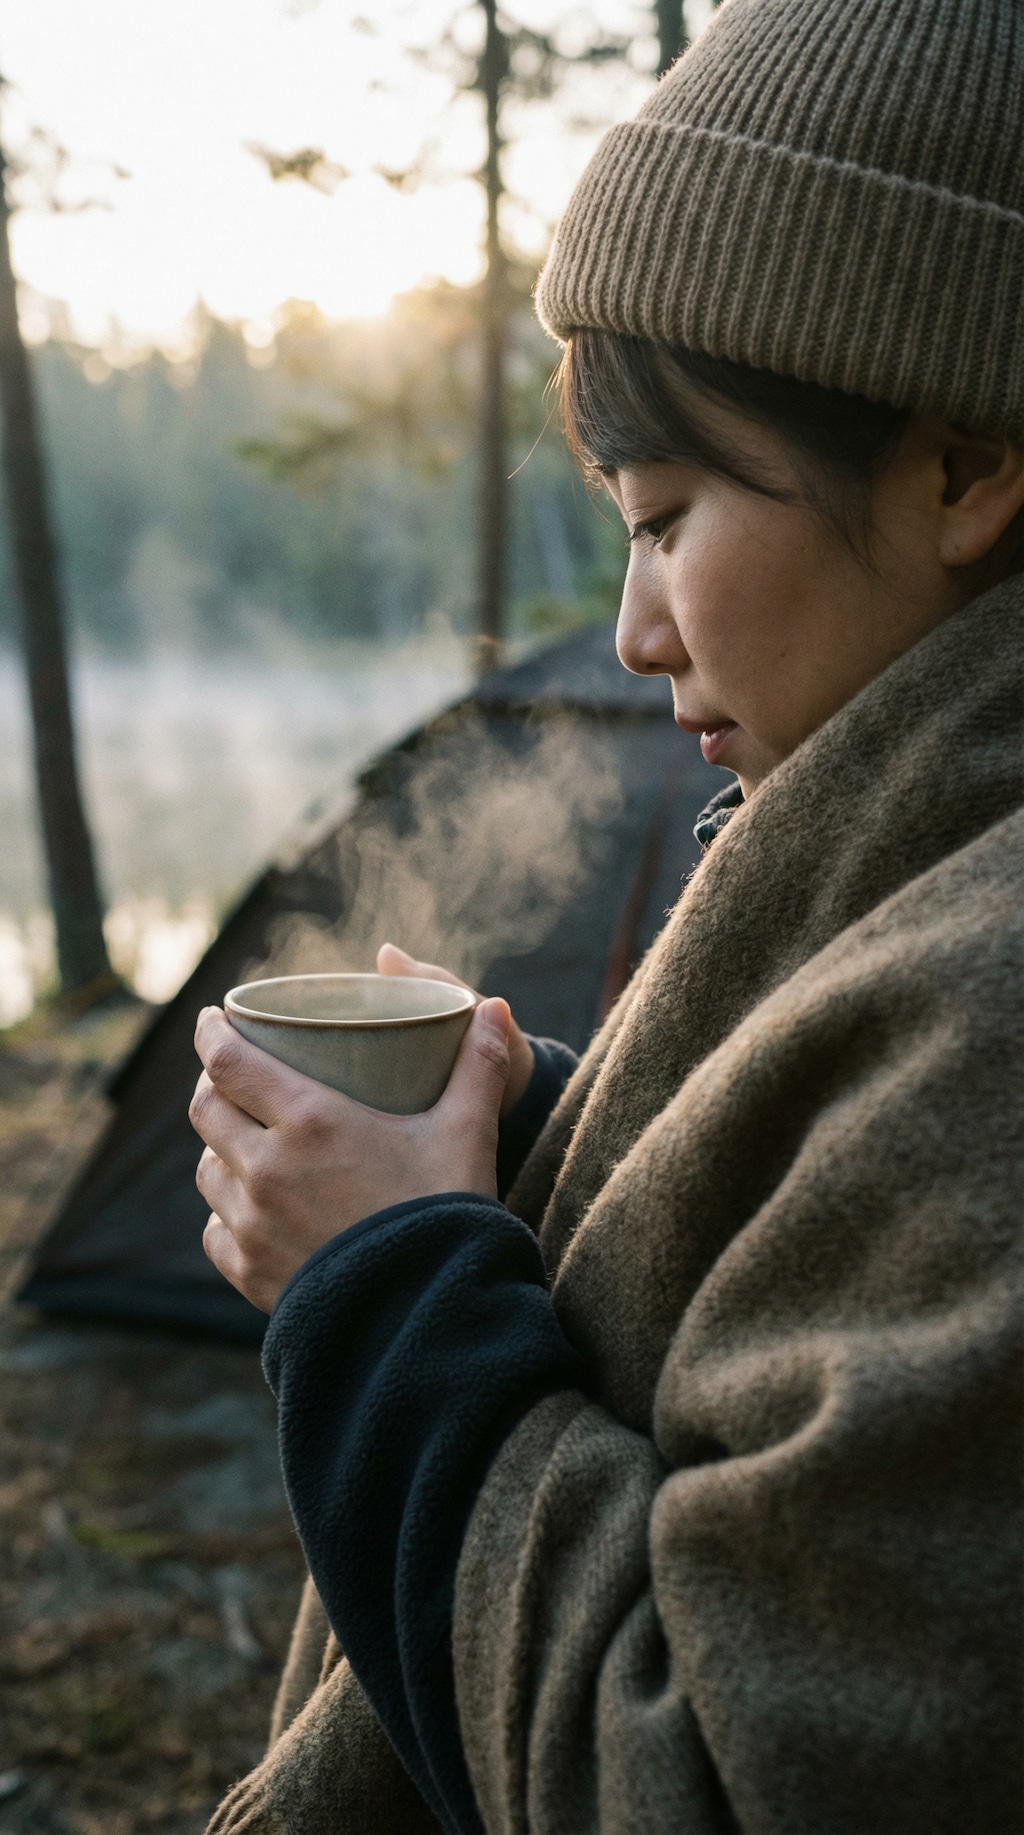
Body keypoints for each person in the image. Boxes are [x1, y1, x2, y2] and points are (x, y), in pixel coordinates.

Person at [192, 1, 1024, 1829]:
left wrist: (390, 1280)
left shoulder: (997, 1010)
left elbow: (704, 1782)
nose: (640, 631)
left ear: (960, 471)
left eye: (665, 516)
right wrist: (545, 1152)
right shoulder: (914, 874)